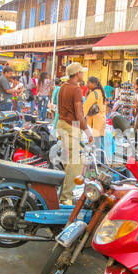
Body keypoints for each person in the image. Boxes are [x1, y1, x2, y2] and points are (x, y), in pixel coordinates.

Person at [57, 62, 94, 205]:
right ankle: (66, 196)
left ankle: (64, 192)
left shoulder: (63, 87)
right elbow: (79, 114)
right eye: (82, 72)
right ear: (77, 74)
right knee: (75, 163)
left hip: (61, 125)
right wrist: (88, 132)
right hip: (71, 126)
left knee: (69, 162)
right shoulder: (76, 89)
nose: (83, 74)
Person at [83, 77, 107, 163]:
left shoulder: (93, 94)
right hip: (102, 119)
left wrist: (80, 117)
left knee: (96, 142)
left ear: (94, 84)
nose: (87, 85)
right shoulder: (101, 92)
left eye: (89, 83)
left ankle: (99, 161)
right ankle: (102, 161)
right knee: (100, 141)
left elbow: (85, 107)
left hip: (95, 120)